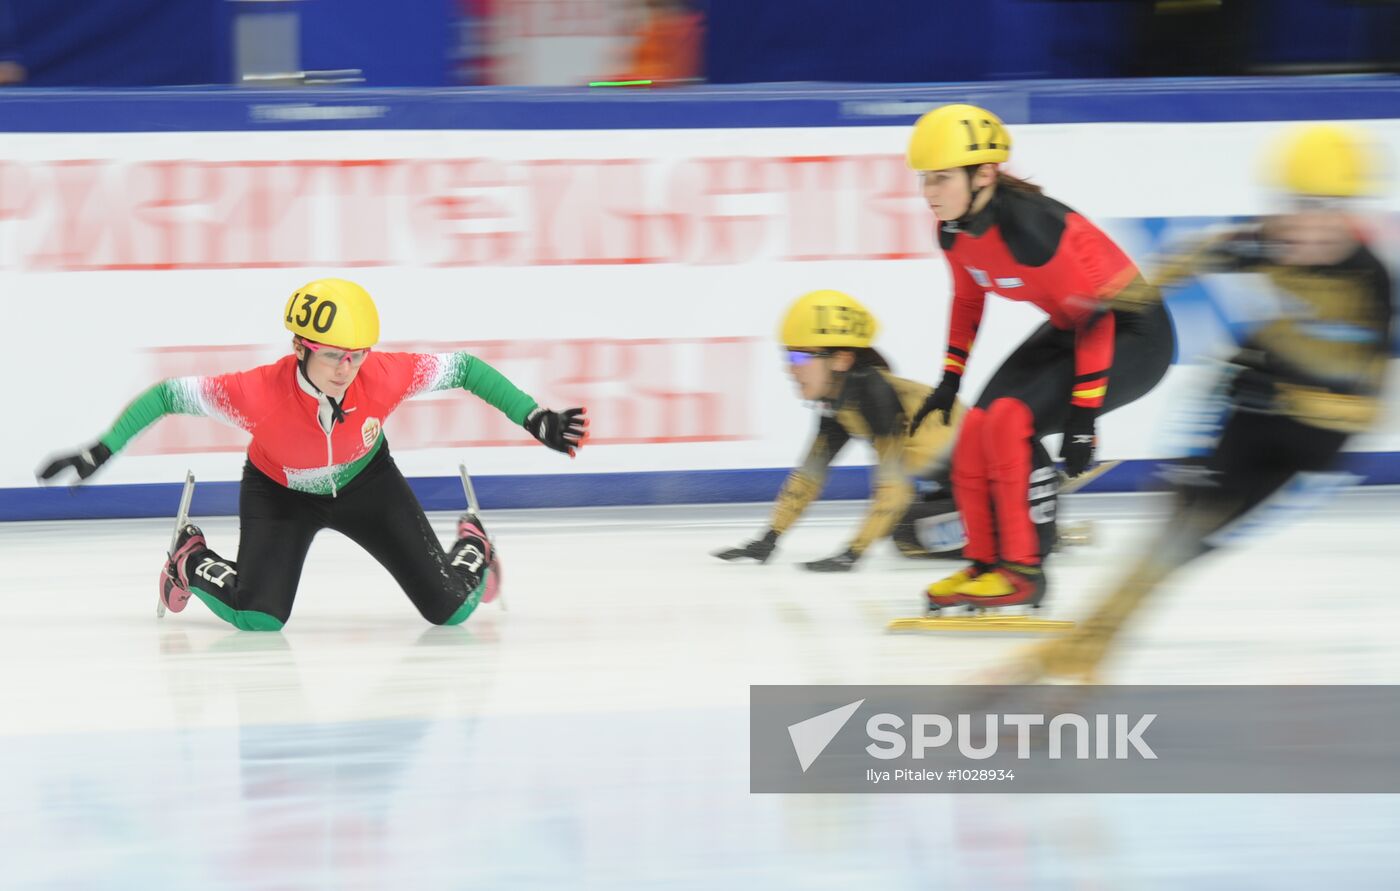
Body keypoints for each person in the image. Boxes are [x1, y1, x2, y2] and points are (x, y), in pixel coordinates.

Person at [996, 123, 1394, 682]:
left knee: (1177, 546)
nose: (1307, 223)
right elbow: (1197, 254)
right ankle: (1082, 659)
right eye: (1297, 205)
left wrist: (1290, 393)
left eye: (1327, 208)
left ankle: (1080, 657)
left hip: (1310, 437)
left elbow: (1368, 411)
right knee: (1166, 548)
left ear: (1352, 212)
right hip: (1253, 410)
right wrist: (1119, 301)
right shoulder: (1269, 240)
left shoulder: (1374, 287)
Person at [37, 278, 587, 631]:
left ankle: (474, 547)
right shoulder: (253, 393)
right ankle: (189, 558)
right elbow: (166, 395)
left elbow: (465, 368)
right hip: (279, 493)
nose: (347, 368)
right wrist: (101, 449)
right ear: (299, 347)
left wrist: (533, 416)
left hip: (367, 484)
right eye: (332, 356)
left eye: (356, 355)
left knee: (451, 610)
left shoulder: (385, 375)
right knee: (259, 618)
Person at [906, 104, 1176, 611]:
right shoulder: (952, 228)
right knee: (978, 429)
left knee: (1009, 421)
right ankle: (985, 564)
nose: (928, 193)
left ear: (983, 173)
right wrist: (950, 379)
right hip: (1075, 325)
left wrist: (1082, 418)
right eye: (924, 179)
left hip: (1135, 333)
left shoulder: (1032, 231)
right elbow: (968, 298)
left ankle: (1026, 572)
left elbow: (1098, 320)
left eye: (940, 179)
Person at [712, 289, 966, 572]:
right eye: (788, 357)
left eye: (800, 358)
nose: (790, 369)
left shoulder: (875, 394)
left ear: (842, 359)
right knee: (907, 531)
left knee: (908, 533)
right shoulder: (839, 401)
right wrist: (768, 539)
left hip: (1001, 485)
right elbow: (809, 476)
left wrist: (852, 553)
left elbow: (895, 488)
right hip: (959, 487)